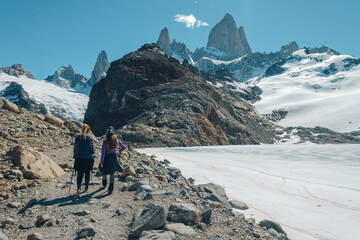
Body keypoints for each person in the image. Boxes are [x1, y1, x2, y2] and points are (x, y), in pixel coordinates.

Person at [100, 126, 126, 194]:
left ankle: (104, 183)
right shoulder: (116, 141)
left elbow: (103, 153)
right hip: (113, 157)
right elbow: (124, 147)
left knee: (104, 170)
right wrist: (120, 150)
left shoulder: (105, 142)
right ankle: (110, 188)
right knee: (112, 172)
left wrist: (102, 162)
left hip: (106, 157)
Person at [73, 124, 96, 198]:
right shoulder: (90, 138)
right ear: (88, 131)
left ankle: (78, 188)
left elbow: (75, 149)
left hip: (79, 159)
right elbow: (92, 150)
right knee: (87, 173)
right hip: (88, 159)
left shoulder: (77, 138)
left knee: (79, 174)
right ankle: (86, 188)